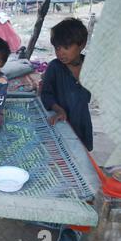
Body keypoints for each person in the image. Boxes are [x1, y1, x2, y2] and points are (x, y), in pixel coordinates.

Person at [40, 18, 93, 151]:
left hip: (82, 123)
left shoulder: (90, 66)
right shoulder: (54, 67)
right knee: (61, 154)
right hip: (60, 122)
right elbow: (46, 94)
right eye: (57, 48)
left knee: (82, 156)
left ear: (82, 45)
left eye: (66, 47)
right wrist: (58, 109)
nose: (60, 52)